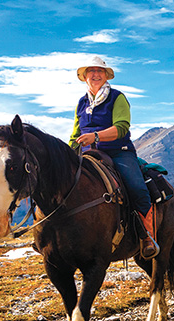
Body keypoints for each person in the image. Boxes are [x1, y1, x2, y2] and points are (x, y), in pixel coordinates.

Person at [68, 56, 159, 259]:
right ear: (84, 77)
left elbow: (121, 127)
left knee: (137, 187)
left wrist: (97, 136)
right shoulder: (81, 103)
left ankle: (147, 237)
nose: (95, 74)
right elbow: (75, 135)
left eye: (99, 71)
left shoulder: (117, 98)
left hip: (118, 151)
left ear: (106, 75)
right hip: (88, 154)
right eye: (91, 71)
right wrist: (66, 154)